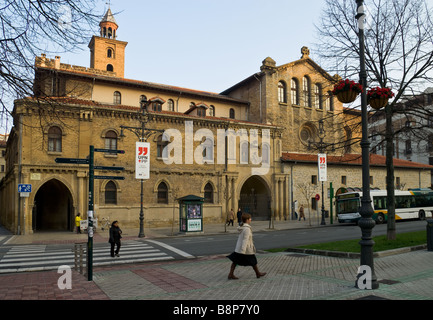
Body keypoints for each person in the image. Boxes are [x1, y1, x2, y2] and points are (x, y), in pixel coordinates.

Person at [227, 213, 266, 280]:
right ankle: (257, 273)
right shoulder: (247, 229)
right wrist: (243, 250)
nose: (251, 219)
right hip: (245, 249)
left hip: (240, 248)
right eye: (250, 218)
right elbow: (245, 240)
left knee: (235, 261)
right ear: (247, 220)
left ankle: (231, 274)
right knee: (253, 261)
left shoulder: (242, 227)